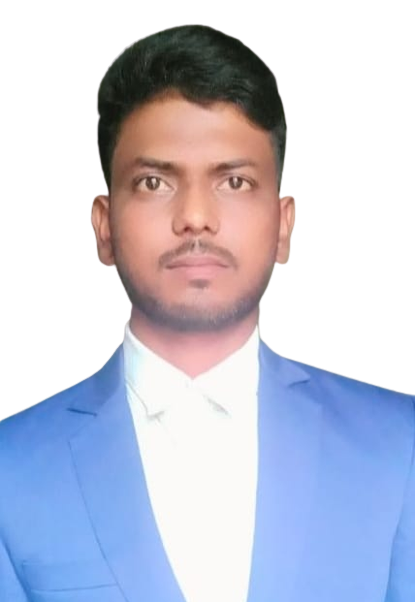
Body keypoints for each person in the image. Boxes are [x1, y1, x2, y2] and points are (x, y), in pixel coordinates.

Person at [0, 24, 413, 602]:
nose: (195, 217)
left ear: (285, 225)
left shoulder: (402, 443)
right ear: (103, 227)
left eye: (234, 181)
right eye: (153, 182)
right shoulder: (9, 467)